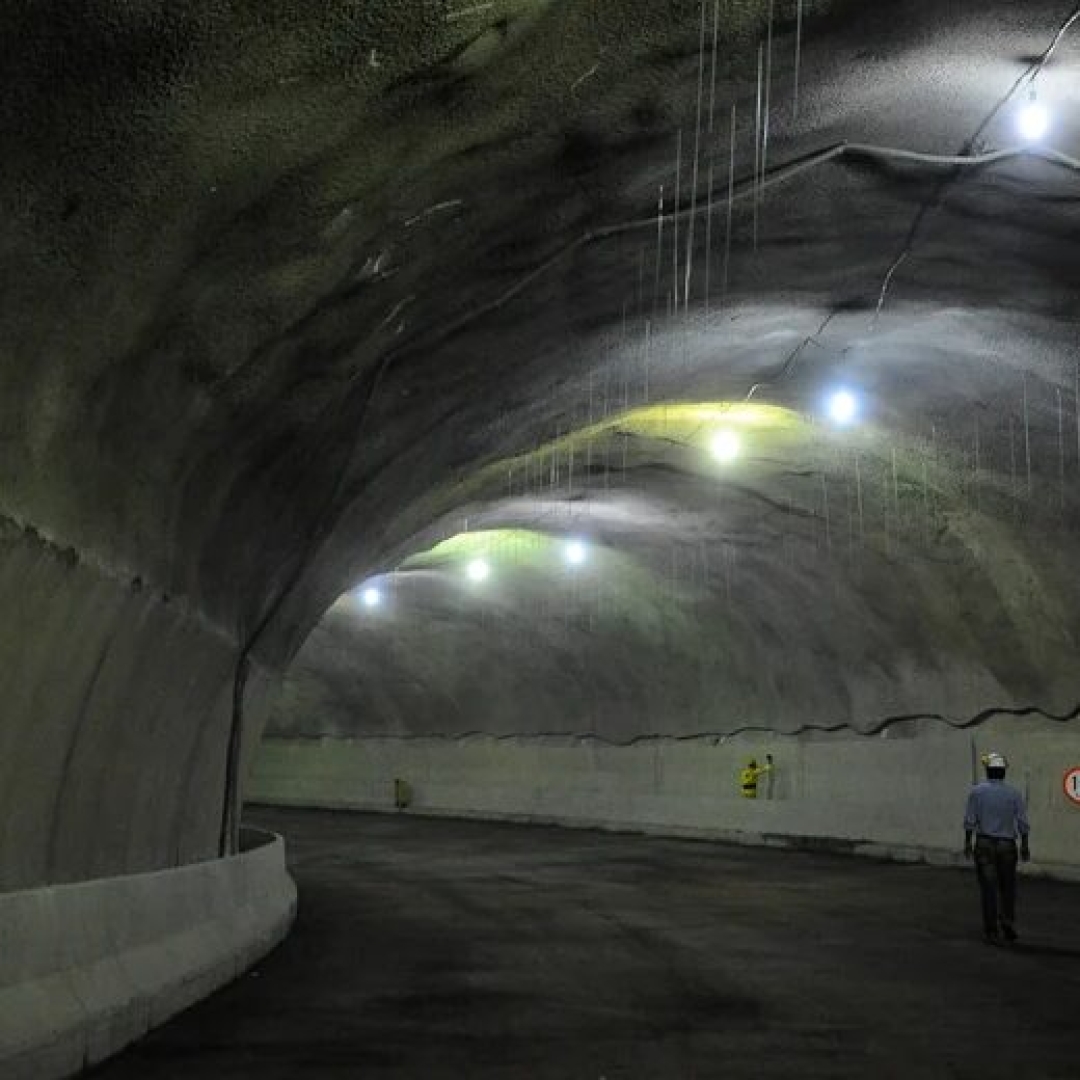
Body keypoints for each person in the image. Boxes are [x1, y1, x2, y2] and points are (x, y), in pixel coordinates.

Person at [963, 752, 1030, 944]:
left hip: (984, 844)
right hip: (1007, 845)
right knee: (1007, 887)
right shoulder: (1014, 793)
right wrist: (1024, 845)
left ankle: (991, 929)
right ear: (1003, 772)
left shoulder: (977, 792)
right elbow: (1023, 822)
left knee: (988, 888)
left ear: (987, 771)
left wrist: (968, 842)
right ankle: (1007, 921)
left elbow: (970, 821)